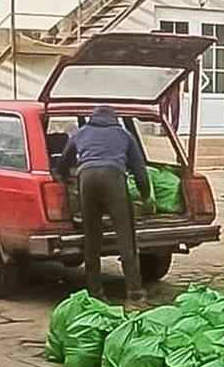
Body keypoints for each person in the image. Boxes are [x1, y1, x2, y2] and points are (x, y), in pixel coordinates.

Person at [56, 106, 154, 307]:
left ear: (92, 118)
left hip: (87, 179)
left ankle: (95, 293)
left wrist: (64, 180)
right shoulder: (123, 135)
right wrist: (145, 197)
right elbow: (139, 169)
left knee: (92, 237)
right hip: (113, 178)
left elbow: (63, 165)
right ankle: (135, 292)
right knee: (126, 235)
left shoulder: (80, 133)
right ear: (114, 119)